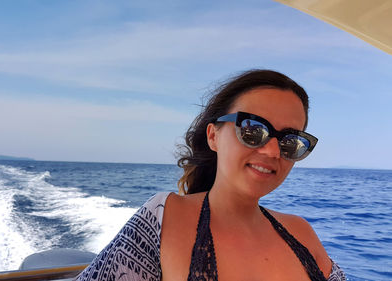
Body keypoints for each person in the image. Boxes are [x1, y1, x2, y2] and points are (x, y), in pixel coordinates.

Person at [75, 70, 346, 281]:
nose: (273, 150)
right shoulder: (165, 217)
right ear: (214, 136)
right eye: (252, 130)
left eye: (290, 140)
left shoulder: (301, 231)